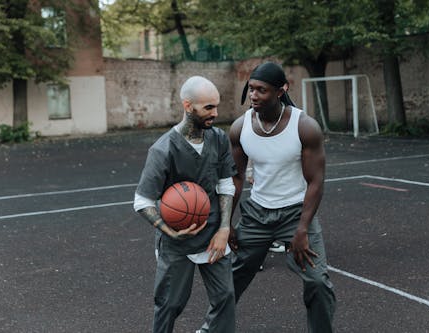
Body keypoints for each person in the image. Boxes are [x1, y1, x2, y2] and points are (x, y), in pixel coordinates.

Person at [199, 62, 336, 333]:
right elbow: (235, 178)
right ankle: (211, 329)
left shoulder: (305, 126)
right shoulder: (240, 128)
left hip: (295, 212)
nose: (254, 95)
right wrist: (227, 223)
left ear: (281, 90)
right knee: (231, 278)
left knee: (318, 281)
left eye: (262, 90)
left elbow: (316, 181)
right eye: (251, 89)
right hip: (257, 214)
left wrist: (302, 228)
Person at [134, 76, 237, 333]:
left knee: (225, 298)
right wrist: (170, 231)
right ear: (188, 105)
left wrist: (224, 228)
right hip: (177, 240)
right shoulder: (163, 150)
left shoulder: (219, 139)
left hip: (213, 232)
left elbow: (226, 184)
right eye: (208, 108)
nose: (215, 113)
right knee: (169, 305)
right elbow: (142, 201)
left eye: (216, 106)